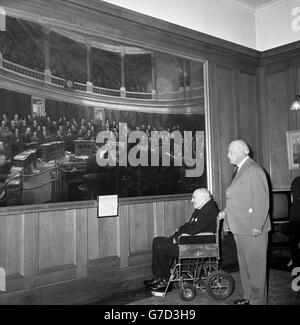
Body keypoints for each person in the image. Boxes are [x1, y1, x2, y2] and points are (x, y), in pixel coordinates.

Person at [219, 139, 271, 305]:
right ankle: (249, 297)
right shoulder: (240, 169)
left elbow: (261, 200)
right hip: (240, 227)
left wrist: (257, 225)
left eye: (230, 151)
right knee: (246, 267)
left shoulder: (254, 170)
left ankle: (258, 302)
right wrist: (225, 213)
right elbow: (241, 199)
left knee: (256, 269)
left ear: (244, 151)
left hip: (252, 228)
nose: (228, 155)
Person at [143, 188, 219, 294]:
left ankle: (165, 281)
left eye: (194, 198)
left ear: (203, 199)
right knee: (157, 241)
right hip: (189, 240)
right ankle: (158, 277)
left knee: (162, 248)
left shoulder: (209, 210)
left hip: (198, 246)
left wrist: (178, 235)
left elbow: (193, 229)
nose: (192, 200)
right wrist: (179, 231)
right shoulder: (202, 207)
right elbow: (189, 225)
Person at [282, 177, 300, 269]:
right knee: (294, 236)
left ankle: (294, 260)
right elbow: (296, 198)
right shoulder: (297, 181)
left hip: (295, 218)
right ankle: (295, 261)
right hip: (296, 218)